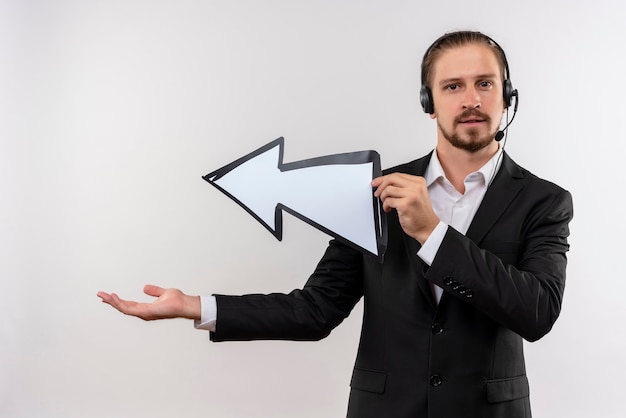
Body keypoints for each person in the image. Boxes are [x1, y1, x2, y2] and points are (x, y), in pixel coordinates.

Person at [97, 30, 573, 417]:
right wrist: (197, 306)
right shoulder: (375, 191)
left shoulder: (543, 201)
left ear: (507, 95)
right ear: (429, 101)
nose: (471, 99)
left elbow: (537, 312)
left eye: (485, 83)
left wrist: (432, 232)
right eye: (453, 86)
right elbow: (317, 309)